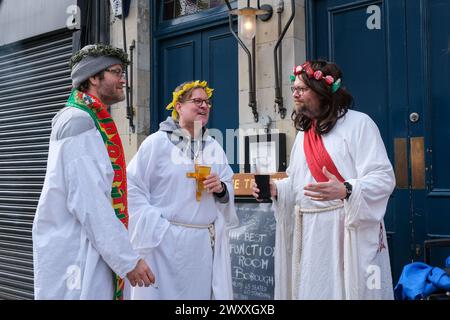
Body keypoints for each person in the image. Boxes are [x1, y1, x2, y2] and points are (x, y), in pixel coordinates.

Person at [253, 60, 395, 299]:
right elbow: (298, 182)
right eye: (293, 89)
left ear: (322, 92)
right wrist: (277, 189)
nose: (295, 94)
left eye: (301, 89)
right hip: (311, 233)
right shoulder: (304, 134)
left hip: (346, 230)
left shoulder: (359, 124)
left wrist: (347, 189)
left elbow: (383, 178)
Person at [32, 44, 155, 300]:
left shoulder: (88, 119)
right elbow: (89, 200)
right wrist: (127, 260)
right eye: (116, 71)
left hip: (89, 247)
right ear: (93, 77)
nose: (123, 79)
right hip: (78, 251)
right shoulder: (78, 120)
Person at [126, 80, 238, 299]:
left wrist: (221, 189)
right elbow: (131, 186)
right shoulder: (156, 143)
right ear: (178, 106)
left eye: (207, 102)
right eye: (197, 101)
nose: (204, 106)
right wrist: (156, 225)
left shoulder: (214, 146)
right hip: (163, 244)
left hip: (201, 247)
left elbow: (229, 185)